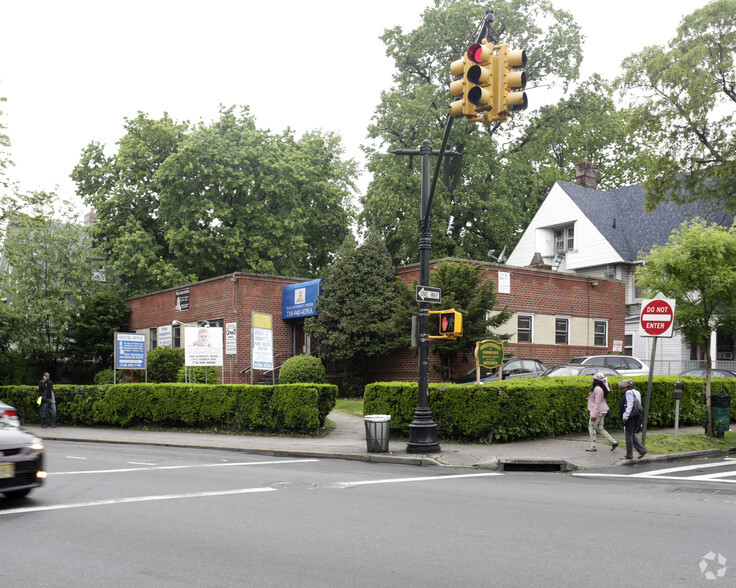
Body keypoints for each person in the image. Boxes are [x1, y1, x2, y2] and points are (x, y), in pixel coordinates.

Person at [586, 373, 618, 452]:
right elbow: (599, 400)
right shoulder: (601, 388)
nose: (592, 380)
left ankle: (593, 446)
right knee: (600, 428)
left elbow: (598, 403)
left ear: (596, 381)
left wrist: (594, 415)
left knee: (591, 427)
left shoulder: (597, 389)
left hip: (598, 412)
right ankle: (613, 442)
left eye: (593, 379)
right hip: (602, 411)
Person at [618, 378, 647, 459]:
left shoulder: (628, 393)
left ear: (625, 387)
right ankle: (641, 450)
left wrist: (626, 416)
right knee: (632, 434)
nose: (621, 390)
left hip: (631, 417)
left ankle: (629, 455)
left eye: (622, 388)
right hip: (637, 416)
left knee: (628, 436)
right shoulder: (637, 392)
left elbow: (629, 405)